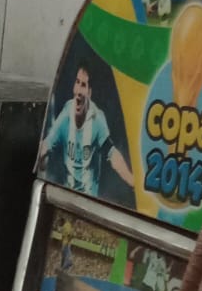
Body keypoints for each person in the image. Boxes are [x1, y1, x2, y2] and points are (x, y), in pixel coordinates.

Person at [41, 66, 133, 197]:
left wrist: (131, 180)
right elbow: (47, 144)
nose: (78, 90)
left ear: (89, 93)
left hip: (88, 199)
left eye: (83, 85)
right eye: (77, 82)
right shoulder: (66, 114)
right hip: (67, 196)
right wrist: (40, 159)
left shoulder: (97, 119)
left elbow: (112, 153)